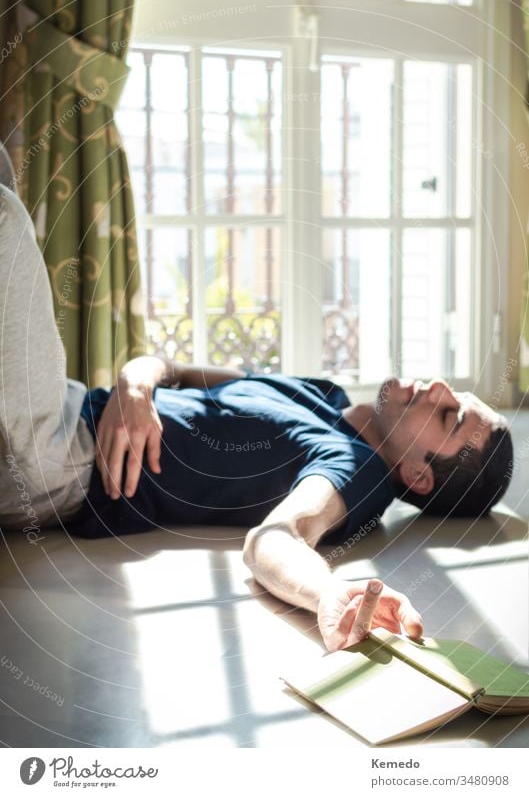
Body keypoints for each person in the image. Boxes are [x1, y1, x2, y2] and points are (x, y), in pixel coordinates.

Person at [0, 178, 514, 653]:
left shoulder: (356, 467)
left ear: (418, 476)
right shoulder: (325, 394)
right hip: (70, 404)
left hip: (62, 458)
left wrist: (330, 593)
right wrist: (136, 384)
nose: (441, 387)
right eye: (457, 395)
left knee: (5, 213)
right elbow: (176, 368)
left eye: (448, 416)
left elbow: (277, 538)